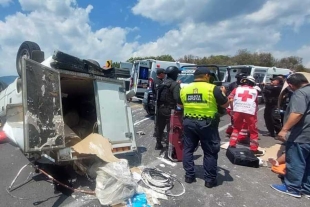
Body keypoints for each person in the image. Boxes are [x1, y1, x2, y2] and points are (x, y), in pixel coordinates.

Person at [178, 67, 229, 188]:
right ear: (206, 75)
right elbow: (225, 104)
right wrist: (224, 93)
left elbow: (180, 104)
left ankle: (189, 176)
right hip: (207, 124)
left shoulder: (184, 89)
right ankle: (209, 180)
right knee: (210, 152)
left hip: (189, 122)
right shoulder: (213, 89)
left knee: (188, 149)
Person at [271, 73, 310, 198]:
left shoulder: (300, 93)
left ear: (292, 85)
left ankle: (292, 188)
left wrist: (284, 129)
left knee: (296, 160)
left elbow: (297, 113)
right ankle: (307, 188)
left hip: (301, 133)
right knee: (308, 162)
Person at [228, 76, 264, 155]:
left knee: (236, 128)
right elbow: (256, 103)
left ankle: (232, 144)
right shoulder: (255, 91)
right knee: (253, 130)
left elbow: (230, 99)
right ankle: (253, 149)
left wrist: (232, 109)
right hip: (249, 111)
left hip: (237, 110)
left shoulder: (236, 89)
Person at [155, 66, 180, 150]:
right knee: (171, 129)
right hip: (170, 109)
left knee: (160, 127)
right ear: (174, 75)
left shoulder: (162, 83)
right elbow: (177, 98)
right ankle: (170, 147)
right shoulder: (175, 84)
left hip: (160, 109)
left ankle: (158, 144)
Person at [226, 73, 248, 137]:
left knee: (239, 120)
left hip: (240, 106)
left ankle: (236, 132)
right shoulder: (233, 85)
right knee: (236, 120)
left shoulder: (246, 85)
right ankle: (235, 133)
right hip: (235, 106)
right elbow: (229, 96)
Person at [152, 68, 166, 137]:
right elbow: (157, 90)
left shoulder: (161, 80)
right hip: (158, 102)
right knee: (158, 118)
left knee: (159, 119)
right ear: (160, 74)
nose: (165, 75)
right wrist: (164, 85)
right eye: (164, 73)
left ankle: (159, 131)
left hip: (159, 102)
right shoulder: (157, 81)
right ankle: (157, 132)